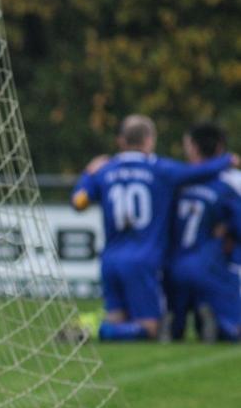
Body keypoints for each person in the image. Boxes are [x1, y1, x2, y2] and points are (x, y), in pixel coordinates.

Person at [71, 114, 238, 341]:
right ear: (149, 140)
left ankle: (95, 328)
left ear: (121, 141)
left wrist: (87, 175)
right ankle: (96, 331)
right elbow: (198, 172)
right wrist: (227, 160)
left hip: (110, 259)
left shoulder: (105, 170)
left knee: (119, 318)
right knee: (151, 329)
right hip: (143, 259)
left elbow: (78, 203)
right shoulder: (160, 169)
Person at [164, 122, 241, 341]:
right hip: (212, 266)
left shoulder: (178, 179)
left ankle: (174, 323)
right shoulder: (232, 181)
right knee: (232, 331)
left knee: (177, 328)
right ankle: (220, 325)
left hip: (173, 267)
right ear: (220, 148)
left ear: (193, 148)